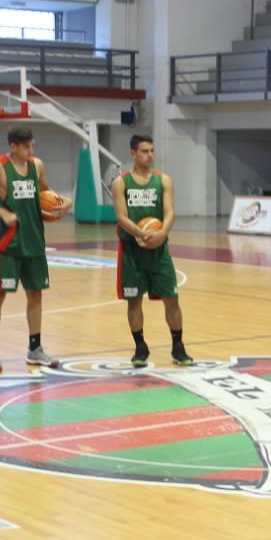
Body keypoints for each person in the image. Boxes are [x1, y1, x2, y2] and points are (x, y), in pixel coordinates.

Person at [0, 125, 70, 373]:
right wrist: (2, 212)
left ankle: (34, 348)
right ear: (13, 146)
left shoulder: (37, 166)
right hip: (9, 242)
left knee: (35, 294)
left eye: (33, 145)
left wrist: (65, 202)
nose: (31, 150)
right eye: (26, 146)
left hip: (35, 239)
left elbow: (47, 192)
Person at [112, 134, 192, 367]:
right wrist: (140, 233)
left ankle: (178, 346)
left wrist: (162, 233)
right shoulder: (121, 182)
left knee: (172, 298)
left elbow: (170, 212)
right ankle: (140, 347)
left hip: (159, 249)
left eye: (152, 151)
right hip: (131, 251)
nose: (150, 155)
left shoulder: (163, 180)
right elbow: (121, 217)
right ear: (133, 154)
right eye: (145, 151)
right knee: (134, 301)